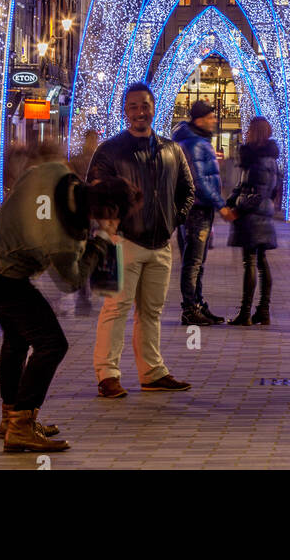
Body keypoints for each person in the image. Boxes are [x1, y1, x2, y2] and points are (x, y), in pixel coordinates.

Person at [0, 142, 139, 453]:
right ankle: (21, 426)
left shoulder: (56, 171)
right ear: (108, 213)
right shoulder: (62, 240)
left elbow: (29, 178)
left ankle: (12, 419)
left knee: (17, 338)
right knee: (52, 343)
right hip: (3, 275)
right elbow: (72, 281)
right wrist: (103, 237)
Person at [88, 82, 196, 397]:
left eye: (145, 105)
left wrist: (172, 221)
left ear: (153, 107)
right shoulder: (110, 150)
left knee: (152, 311)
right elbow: (93, 192)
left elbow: (187, 191)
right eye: (133, 106)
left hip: (160, 244)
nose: (140, 112)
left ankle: (152, 371)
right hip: (122, 241)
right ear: (126, 111)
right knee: (115, 308)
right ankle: (107, 374)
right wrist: (112, 225)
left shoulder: (171, 149)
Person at [172, 100, 235, 326]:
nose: (214, 120)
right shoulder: (194, 144)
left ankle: (197, 304)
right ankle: (190, 309)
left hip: (197, 208)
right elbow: (199, 181)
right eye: (210, 117)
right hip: (196, 209)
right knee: (193, 262)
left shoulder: (193, 141)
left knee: (197, 261)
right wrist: (222, 205)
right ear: (199, 119)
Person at [226, 116, 280, 326]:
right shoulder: (258, 159)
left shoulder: (261, 161)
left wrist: (237, 211)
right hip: (260, 215)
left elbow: (258, 193)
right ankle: (262, 311)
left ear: (256, 133)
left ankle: (247, 312)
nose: (246, 133)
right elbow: (244, 186)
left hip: (253, 217)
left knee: (251, 261)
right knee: (260, 262)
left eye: (249, 130)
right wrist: (230, 201)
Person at [69, 129, 100, 316]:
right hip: (91, 211)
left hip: (81, 211)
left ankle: (83, 293)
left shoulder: (75, 160)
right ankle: (85, 291)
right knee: (90, 249)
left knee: (82, 250)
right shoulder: (99, 160)